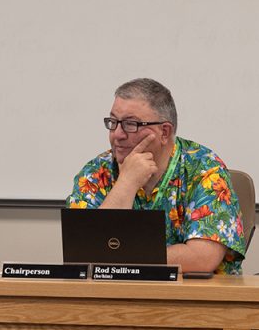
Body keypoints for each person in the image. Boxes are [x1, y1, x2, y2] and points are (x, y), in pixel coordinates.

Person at [66, 78, 247, 274]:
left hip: (194, 299)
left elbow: (203, 258)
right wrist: (126, 183)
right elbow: (83, 253)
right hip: (116, 298)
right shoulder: (96, 172)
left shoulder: (205, 169)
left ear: (164, 132)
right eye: (113, 122)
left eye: (130, 124)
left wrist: (120, 257)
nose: (117, 134)